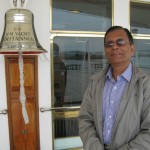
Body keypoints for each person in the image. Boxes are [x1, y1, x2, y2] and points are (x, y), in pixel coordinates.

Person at [78, 26, 150, 150]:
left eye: (120, 42)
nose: (114, 47)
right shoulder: (95, 83)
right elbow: (85, 119)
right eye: (109, 44)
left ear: (132, 49)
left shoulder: (145, 84)